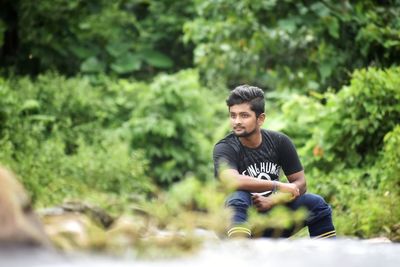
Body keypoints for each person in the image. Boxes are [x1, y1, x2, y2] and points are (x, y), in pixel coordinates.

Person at [213, 85, 336, 239]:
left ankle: (329, 255)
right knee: (239, 196)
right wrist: (277, 186)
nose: (237, 121)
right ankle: (239, 254)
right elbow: (232, 180)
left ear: (261, 119)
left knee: (316, 204)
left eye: (244, 115)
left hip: (270, 220)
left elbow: (300, 184)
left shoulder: (279, 142)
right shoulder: (225, 147)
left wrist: (274, 200)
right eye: (233, 115)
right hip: (233, 223)